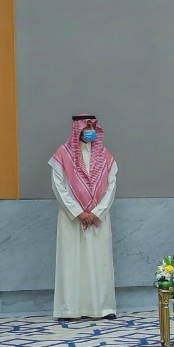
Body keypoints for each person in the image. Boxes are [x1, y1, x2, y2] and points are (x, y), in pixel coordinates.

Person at [50, 114, 119, 320]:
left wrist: (96, 212)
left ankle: (102, 308)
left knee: (100, 262)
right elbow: (58, 186)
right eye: (86, 127)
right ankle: (69, 309)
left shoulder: (105, 156)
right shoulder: (63, 155)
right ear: (77, 129)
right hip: (71, 219)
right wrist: (78, 212)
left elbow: (111, 187)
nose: (89, 131)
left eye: (92, 127)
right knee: (71, 262)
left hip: (98, 219)